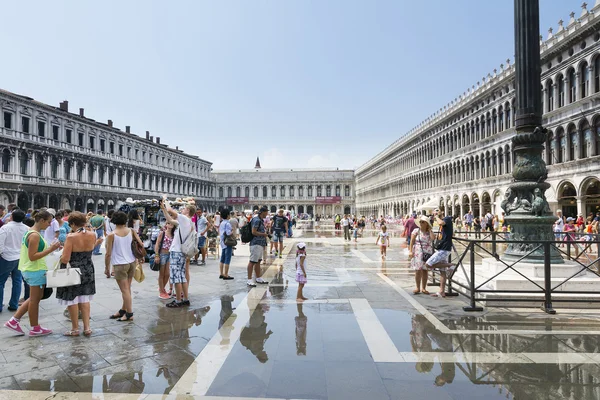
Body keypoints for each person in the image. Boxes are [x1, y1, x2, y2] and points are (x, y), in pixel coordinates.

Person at [4, 210, 61, 336]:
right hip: (35, 270)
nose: (50, 225)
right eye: (49, 222)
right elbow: (33, 256)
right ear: (41, 220)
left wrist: (50, 248)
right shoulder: (34, 235)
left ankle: (14, 321)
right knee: (35, 300)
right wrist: (51, 249)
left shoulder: (32, 232)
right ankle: (35, 327)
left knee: (34, 298)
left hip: (33, 269)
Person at [56, 211, 97, 336]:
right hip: (88, 269)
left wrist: (59, 255)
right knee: (85, 298)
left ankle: (75, 329)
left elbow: (65, 258)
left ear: (73, 224)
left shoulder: (71, 237)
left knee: (72, 299)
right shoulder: (92, 234)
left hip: (74, 269)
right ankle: (87, 328)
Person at [105, 211, 143, 321]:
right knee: (127, 288)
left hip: (119, 264)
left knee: (124, 290)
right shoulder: (131, 231)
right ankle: (123, 309)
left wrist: (107, 268)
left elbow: (108, 254)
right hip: (131, 262)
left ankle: (130, 313)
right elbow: (140, 243)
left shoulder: (111, 235)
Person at [160, 199, 195, 308]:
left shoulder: (184, 219)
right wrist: (163, 209)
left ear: (188, 211)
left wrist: (165, 200)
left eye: (184, 208)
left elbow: (171, 210)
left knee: (176, 277)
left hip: (176, 251)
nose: (182, 210)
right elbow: (170, 219)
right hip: (182, 252)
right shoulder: (189, 222)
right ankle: (185, 299)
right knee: (182, 276)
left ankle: (178, 301)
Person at [0, 209, 29, 312]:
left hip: (7, 257)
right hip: (20, 257)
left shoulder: (5, 228)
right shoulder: (27, 228)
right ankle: (14, 304)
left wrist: (2, 254)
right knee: (17, 281)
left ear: (11, 216)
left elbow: (0, 244)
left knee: (1, 282)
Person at [426, 211, 455, 298]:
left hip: (444, 249)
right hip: (443, 248)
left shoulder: (447, 219)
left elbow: (441, 223)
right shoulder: (446, 220)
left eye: (437, 211)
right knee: (442, 272)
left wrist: (436, 217)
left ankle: (450, 265)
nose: (435, 213)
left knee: (428, 264)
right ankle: (442, 292)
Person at [409, 216, 435, 295]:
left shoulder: (429, 232)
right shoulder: (416, 231)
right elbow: (412, 241)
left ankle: (424, 288)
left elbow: (433, 239)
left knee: (425, 270)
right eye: (420, 222)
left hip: (427, 252)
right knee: (418, 270)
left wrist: (430, 230)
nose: (421, 223)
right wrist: (410, 251)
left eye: (423, 222)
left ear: (427, 224)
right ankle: (417, 287)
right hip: (418, 251)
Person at [248, 206, 270, 287]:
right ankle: (249, 279)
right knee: (252, 261)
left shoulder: (260, 220)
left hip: (260, 243)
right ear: (262, 212)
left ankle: (258, 277)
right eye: (266, 212)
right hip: (256, 243)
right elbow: (253, 232)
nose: (267, 214)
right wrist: (263, 234)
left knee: (258, 261)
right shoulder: (257, 220)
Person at [154, 220, 176, 299]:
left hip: (170, 254)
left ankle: (162, 288)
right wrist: (157, 255)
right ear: (166, 224)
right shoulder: (162, 233)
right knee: (161, 274)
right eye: (168, 223)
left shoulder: (174, 234)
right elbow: (157, 244)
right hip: (162, 254)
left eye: (171, 224)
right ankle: (162, 291)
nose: (170, 225)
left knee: (167, 274)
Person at [218, 209, 234, 280]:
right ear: (228, 215)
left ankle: (221, 273)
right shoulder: (227, 223)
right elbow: (228, 233)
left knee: (222, 258)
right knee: (227, 258)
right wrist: (232, 231)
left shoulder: (222, 223)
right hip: (227, 242)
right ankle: (226, 274)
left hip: (222, 242)